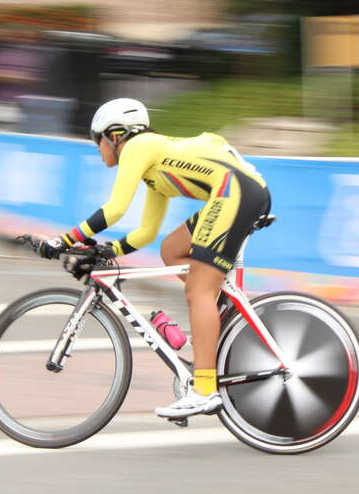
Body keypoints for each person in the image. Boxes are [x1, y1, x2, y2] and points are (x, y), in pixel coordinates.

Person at [35, 98, 271, 419]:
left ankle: (204, 390)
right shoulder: (154, 166)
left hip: (236, 192)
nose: (97, 148)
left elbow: (115, 208)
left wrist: (64, 240)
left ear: (116, 135)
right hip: (236, 191)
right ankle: (218, 317)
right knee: (171, 250)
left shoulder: (138, 146)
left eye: (98, 140)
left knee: (198, 291)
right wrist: (110, 250)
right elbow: (147, 232)